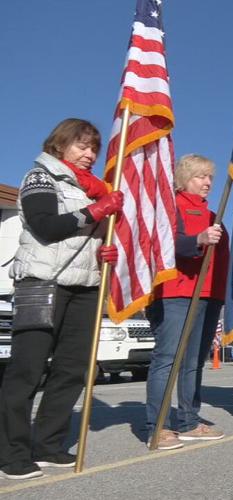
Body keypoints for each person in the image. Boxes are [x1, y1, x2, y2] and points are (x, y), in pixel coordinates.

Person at [0, 119, 121, 479]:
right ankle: (11, 453)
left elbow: (81, 238)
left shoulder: (94, 189)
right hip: (43, 283)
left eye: (93, 149)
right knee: (28, 370)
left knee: (72, 370)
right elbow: (46, 226)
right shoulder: (41, 177)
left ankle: (49, 446)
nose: (89, 154)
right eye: (81, 146)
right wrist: (95, 213)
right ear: (60, 144)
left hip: (84, 286)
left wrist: (102, 253)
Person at [144, 154, 230, 449]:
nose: (207, 183)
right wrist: (198, 240)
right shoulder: (172, 206)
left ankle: (189, 421)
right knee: (168, 359)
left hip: (208, 295)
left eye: (210, 178)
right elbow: (168, 244)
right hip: (177, 293)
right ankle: (158, 426)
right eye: (200, 176)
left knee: (193, 362)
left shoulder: (211, 215)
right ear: (184, 178)